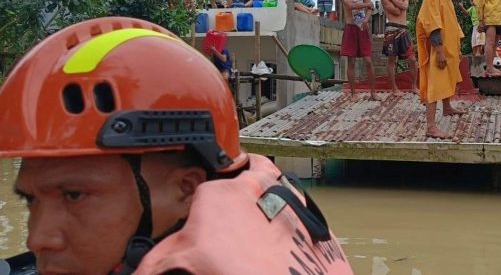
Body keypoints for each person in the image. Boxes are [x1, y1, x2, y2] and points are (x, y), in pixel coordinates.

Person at [0, 17, 354, 275]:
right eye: (31, 200)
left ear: (188, 188)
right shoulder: (269, 214)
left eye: (74, 195)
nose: (37, 239)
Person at [416, 0, 465, 138]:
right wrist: (439, 51)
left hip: (449, 46)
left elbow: (451, 23)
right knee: (435, 84)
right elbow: (433, 27)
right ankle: (430, 126)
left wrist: (456, 46)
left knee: (447, 78)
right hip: (439, 49)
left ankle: (447, 107)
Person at [341, 0, 378, 101]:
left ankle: (373, 93)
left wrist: (366, 20)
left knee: (368, 61)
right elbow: (350, 6)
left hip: (362, 28)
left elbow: (370, 8)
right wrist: (368, 4)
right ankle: (353, 93)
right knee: (351, 61)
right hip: (351, 27)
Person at [381, 0, 418, 95]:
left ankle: (414, 86)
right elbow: (396, 12)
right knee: (392, 59)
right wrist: (398, 4)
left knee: (412, 59)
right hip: (392, 29)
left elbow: (405, 7)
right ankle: (394, 88)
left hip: (403, 29)